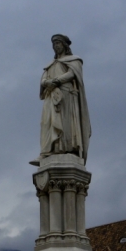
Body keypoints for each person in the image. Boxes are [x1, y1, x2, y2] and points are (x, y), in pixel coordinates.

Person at [32, 34, 91, 166]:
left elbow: (72, 74)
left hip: (66, 96)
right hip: (51, 95)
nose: (56, 47)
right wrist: (47, 83)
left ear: (64, 45)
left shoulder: (74, 60)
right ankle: (47, 152)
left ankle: (65, 149)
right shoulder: (51, 65)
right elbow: (43, 78)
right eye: (54, 45)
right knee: (47, 122)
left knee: (64, 122)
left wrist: (57, 81)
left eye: (58, 44)